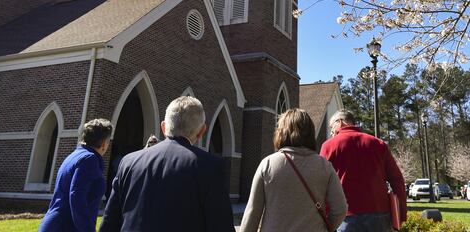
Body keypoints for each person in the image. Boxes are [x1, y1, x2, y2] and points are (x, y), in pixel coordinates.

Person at [99, 96, 234, 232]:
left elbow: (110, 221)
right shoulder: (210, 166)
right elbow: (221, 225)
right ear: (201, 131)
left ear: (164, 127)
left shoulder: (128, 162)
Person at [240, 109, 347, 232]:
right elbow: (340, 209)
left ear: (281, 132)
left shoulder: (268, 164)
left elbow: (253, 212)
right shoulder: (324, 166)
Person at [321, 110, 407, 232]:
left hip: (346, 216)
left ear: (340, 122)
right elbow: (397, 180)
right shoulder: (379, 144)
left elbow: (320, 182)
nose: (331, 133)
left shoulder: (329, 146)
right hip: (379, 214)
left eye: (331, 128)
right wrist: (401, 214)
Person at [38, 118, 112, 232]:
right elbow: (77, 197)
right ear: (103, 143)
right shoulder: (89, 159)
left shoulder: (75, 155)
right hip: (66, 226)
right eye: (108, 141)